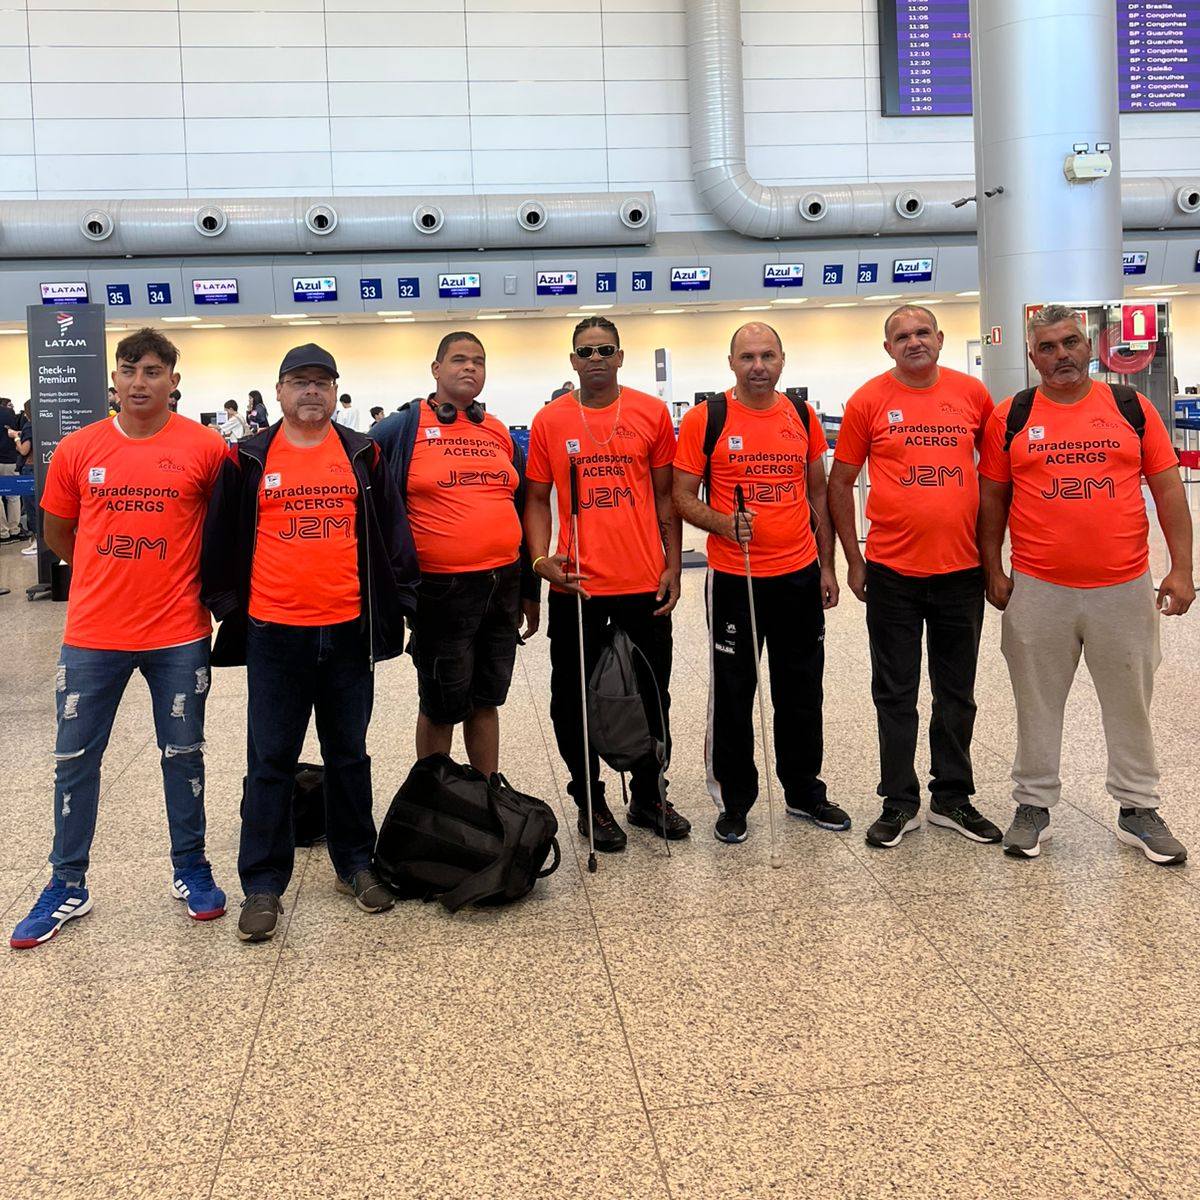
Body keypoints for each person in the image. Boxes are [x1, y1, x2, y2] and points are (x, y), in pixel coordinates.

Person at [10, 328, 229, 950]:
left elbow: (223, 530)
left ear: (173, 382)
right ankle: (66, 883)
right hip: (93, 634)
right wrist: (106, 573)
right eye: (129, 370)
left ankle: (191, 867)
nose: (139, 382)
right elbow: (58, 531)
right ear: (113, 379)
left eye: (153, 371)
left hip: (179, 632)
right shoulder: (80, 448)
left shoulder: (206, 449)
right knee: (74, 760)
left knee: (183, 755)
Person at [203, 344, 419, 942]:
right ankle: (263, 882)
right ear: (278, 391)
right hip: (274, 634)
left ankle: (355, 864)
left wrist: (403, 600)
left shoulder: (361, 453)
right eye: (299, 381)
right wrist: (229, 609)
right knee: (270, 759)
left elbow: (392, 530)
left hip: (348, 631)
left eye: (322, 382)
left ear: (335, 390)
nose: (311, 392)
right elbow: (219, 537)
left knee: (349, 753)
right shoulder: (249, 456)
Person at [978, 304, 1194, 864]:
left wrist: (1182, 568)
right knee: (1036, 702)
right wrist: (992, 568)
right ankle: (1033, 805)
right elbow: (992, 498)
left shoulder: (1129, 407)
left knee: (1130, 701)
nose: (1061, 355)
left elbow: (1169, 489)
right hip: (1038, 588)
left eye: (1070, 342)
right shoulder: (1012, 415)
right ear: (1032, 357)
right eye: (1047, 347)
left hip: (1123, 586)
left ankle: (1138, 807)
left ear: (1089, 346)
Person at [827, 306, 1000, 850]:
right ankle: (899, 800)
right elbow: (840, 483)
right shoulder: (868, 400)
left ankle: (952, 796)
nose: (914, 342)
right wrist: (853, 559)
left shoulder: (972, 395)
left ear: (941, 339)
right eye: (902, 336)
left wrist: (995, 561)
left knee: (957, 693)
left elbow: (996, 478)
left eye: (923, 332)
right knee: (895, 693)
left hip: (962, 573)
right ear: (888, 348)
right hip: (892, 574)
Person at [673, 323, 848, 844]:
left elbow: (818, 494)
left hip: (797, 576)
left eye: (767, 356)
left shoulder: (801, 415)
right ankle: (734, 800)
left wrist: (826, 566)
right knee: (733, 693)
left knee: (801, 690)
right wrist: (724, 523)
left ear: (782, 359)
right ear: (731, 362)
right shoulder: (707, 419)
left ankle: (804, 790)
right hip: (735, 578)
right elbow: (681, 496)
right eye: (747, 357)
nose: (758, 366)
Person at [524, 316, 689, 851]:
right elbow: (535, 499)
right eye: (585, 351)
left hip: (643, 581)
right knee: (572, 699)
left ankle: (648, 795)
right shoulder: (549, 420)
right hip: (577, 586)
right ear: (573, 360)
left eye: (605, 350)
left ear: (620, 356)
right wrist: (540, 560)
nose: (595, 358)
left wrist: (672, 564)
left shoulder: (650, 413)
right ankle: (590, 802)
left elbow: (665, 496)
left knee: (651, 692)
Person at [372, 332, 539, 777]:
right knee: (440, 704)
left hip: (502, 584)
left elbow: (523, 507)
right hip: (440, 590)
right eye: (459, 359)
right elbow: (364, 484)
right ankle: (435, 799)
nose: (470, 367)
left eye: (478, 361)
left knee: (487, 700)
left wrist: (530, 589)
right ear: (436, 369)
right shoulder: (401, 428)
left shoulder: (497, 430)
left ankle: (485, 794)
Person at [0, 396, 21, 542]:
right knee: (14, 496)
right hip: (10, 458)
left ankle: (3, 532)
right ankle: (14, 529)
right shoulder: (8, 413)